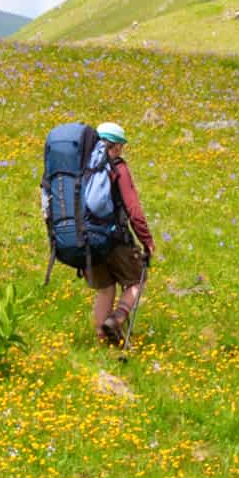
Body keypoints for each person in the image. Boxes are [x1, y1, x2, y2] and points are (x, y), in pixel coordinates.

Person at [86, 122, 154, 345]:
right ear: (115, 147)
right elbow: (133, 209)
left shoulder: (82, 168)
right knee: (136, 281)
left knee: (105, 289)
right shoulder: (118, 168)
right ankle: (116, 319)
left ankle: (101, 342)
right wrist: (147, 240)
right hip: (115, 239)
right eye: (121, 146)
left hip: (87, 240)